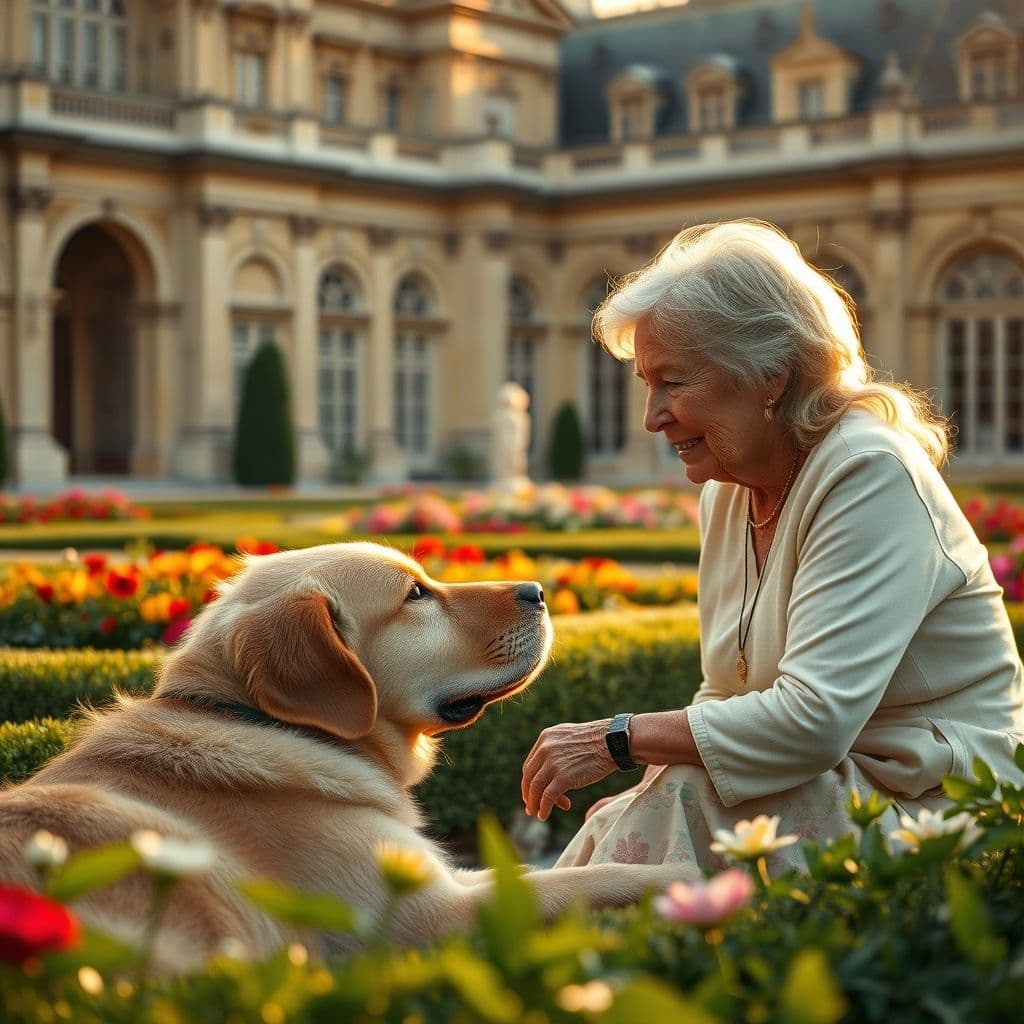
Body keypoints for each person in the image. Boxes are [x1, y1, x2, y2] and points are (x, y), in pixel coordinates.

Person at [520, 219, 1024, 872]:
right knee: (642, 808)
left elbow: (812, 721)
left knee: (675, 802)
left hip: (943, 802)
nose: (652, 417)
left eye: (674, 382)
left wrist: (618, 740)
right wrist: (637, 788)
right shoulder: (728, 492)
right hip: (840, 782)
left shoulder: (867, 470)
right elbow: (724, 697)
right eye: (648, 383)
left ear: (771, 376)